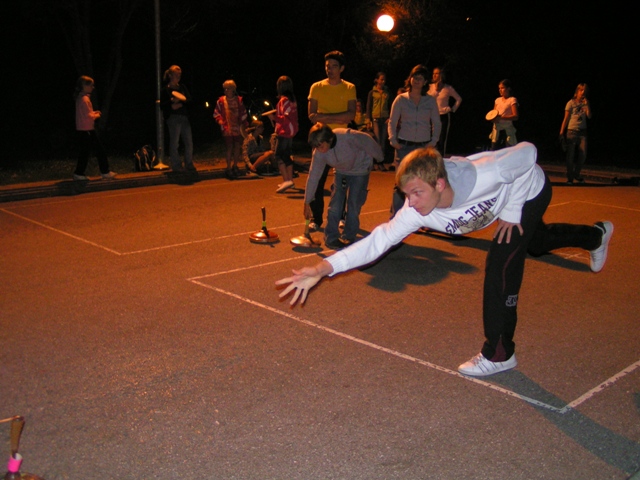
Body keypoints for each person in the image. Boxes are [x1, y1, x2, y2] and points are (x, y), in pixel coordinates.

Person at [276, 142, 614, 377]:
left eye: (417, 193)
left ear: (440, 183)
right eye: (406, 194)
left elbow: (528, 153)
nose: (411, 202)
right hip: (507, 203)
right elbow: (377, 241)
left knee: (502, 261)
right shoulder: (415, 210)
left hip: (529, 191)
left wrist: (512, 211)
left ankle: (500, 353)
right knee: (536, 243)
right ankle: (596, 236)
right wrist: (322, 268)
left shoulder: (483, 174)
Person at [304, 123, 383, 249]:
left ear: (329, 139)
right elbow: (313, 176)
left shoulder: (349, 137)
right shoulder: (319, 152)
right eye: (316, 147)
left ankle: (348, 236)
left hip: (360, 170)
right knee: (335, 204)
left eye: (321, 146)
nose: (319, 150)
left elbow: (368, 140)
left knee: (353, 205)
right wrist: (307, 201)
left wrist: (380, 157)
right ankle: (331, 237)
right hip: (341, 171)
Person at [307, 50, 357, 232]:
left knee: (341, 182)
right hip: (321, 140)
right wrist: (337, 117)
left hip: (342, 140)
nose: (330, 70)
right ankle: (316, 218)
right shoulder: (316, 87)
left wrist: (324, 117)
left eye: (334, 66)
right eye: (328, 66)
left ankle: (341, 216)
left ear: (341, 68)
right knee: (317, 180)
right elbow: (312, 116)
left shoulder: (349, 88)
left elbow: (350, 115)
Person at [388, 64, 441, 214]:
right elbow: (392, 121)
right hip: (404, 146)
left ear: (425, 82)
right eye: (414, 77)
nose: (417, 81)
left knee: (423, 183)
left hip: (423, 147)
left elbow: (436, 122)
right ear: (410, 79)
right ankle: (396, 218)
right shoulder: (401, 99)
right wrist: (393, 140)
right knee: (400, 183)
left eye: (420, 78)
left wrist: (433, 141)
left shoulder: (430, 101)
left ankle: (419, 216)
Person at [72, 76, 116, 180]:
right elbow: (88, 116)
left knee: (85, 152)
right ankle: (104, 171)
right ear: (85, 86)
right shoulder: (85, 99)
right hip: (87, 129)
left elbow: (85, 113)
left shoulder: (80, 97)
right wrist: (97, 115)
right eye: (91, 85)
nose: (93, 87)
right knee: (99, 150)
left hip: (83, 129)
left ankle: (79, 173)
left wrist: (94, 112)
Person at [267, 76, 299, 193]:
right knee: (286, 155)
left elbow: (285, 119)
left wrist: (273, 117)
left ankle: (286, 180)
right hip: (290, 130)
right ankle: (290, 180)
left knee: (279, 156)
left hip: (284, 131)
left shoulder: (283, 100)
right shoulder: (292, 99)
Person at [160, 65, 195, 173]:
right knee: (175, 143)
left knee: (189, 142)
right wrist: (172, 103)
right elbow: (162, 105)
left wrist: (180, 103)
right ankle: (176, 165)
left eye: (180, 74)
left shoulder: (182, 88)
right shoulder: (166, 90)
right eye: (176, 74)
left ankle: (189, 163)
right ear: (170, 75)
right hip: (173, 118)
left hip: (184, 117)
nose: (178, 76)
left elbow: (189, 100)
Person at [214, 79, 249, 179]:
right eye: (225, 89)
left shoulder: (238, 100)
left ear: (233, 89)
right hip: (227, 127)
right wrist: (220, 121)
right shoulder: (221, 101)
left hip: (237, 127)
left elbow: (243, 113)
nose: (226, 90)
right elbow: (216, 113)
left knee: (237, 146)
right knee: (229, 147)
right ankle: (228, 167)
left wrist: (244, 124)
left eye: (228, 88)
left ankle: (235, 166)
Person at [559, 83, 592, 184]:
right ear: (577, 91)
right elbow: (566, 118)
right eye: (581, 90)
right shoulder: (570, 103)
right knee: (571, 155)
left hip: (582, 132)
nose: (583, 93)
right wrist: (561, 132)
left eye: (584, 91)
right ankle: (570, 178)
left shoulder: (585, 103)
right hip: (572, 131)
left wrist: (587, 105)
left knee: (583, 154)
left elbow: (589, 116)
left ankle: (576, 174)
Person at [428, 66, 462, 157]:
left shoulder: (448, 88)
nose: (434, 75)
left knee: (441, 139)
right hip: (431, 115)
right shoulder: (429, 87)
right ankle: (430, 158)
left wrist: (452, 109)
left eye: (437, 73)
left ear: (441, 75)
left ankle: (441, 159)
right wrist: (436, 89)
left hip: (443, 115)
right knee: (430, 138)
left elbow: (459, 99)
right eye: (433, 73)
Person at [365, 72, 391, 171]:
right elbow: (369, 106)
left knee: (383, 142)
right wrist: (368, 120)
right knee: (377, 141)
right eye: (381, 79)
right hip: (375, 118)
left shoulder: (387, 92)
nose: (383, 81)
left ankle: (381, 162)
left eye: (384, 79)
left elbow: (390, 105)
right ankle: (376, 162)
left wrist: (390, 117)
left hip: (384, 119)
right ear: (376, 80)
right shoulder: (372, 92)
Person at [489, 79, 519, 151]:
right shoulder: (497, 100)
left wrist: (501, 117)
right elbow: (494, 114)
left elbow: (515, 116)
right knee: (494, 150)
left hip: (507, 129)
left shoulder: (512, 100)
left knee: (508, 151)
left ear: (508, 88)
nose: (500, 90)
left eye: (502, 88)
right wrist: (492, 118)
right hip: (497, 129)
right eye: (499, 88)